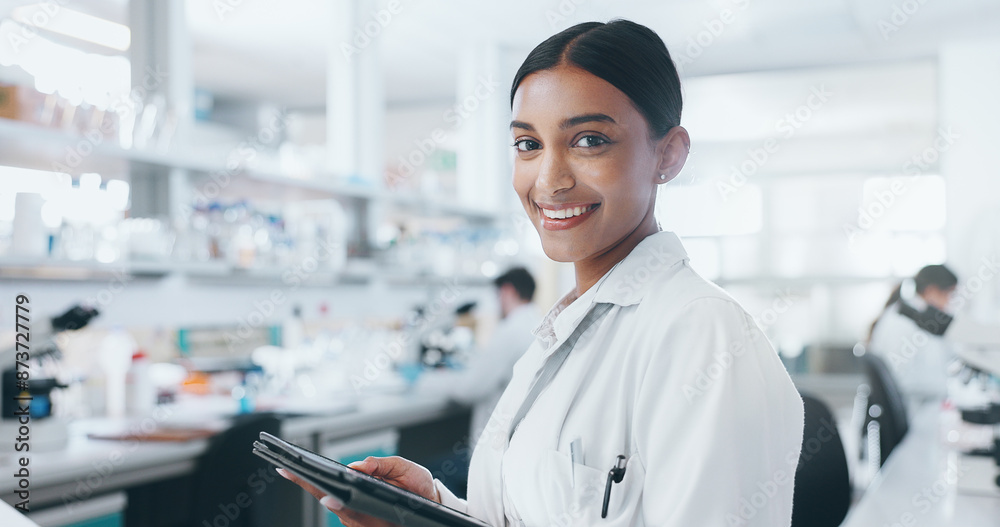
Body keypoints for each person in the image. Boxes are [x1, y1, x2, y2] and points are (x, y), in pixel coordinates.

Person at [280, 19, 805, 526]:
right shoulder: (562, 332)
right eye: (528, 144)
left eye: (589, 140)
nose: (549, 181)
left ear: (668, 154)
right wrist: (435, 510)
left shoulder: (701, 335)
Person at [446, 267, 540, 448]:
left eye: (497, 295)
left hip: (497, 441)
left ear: (507, 290)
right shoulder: (537, 324)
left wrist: (427, 381)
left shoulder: (510, 331)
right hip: (522, 438)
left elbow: (468, 389)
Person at [867, 264, 959, 400]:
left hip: (926, 408)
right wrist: (947, 387)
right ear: (931, 291)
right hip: (914, 412)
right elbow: (899, 379)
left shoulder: (920, 319)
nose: (950, 303)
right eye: (950, 295)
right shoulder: (901, 322)